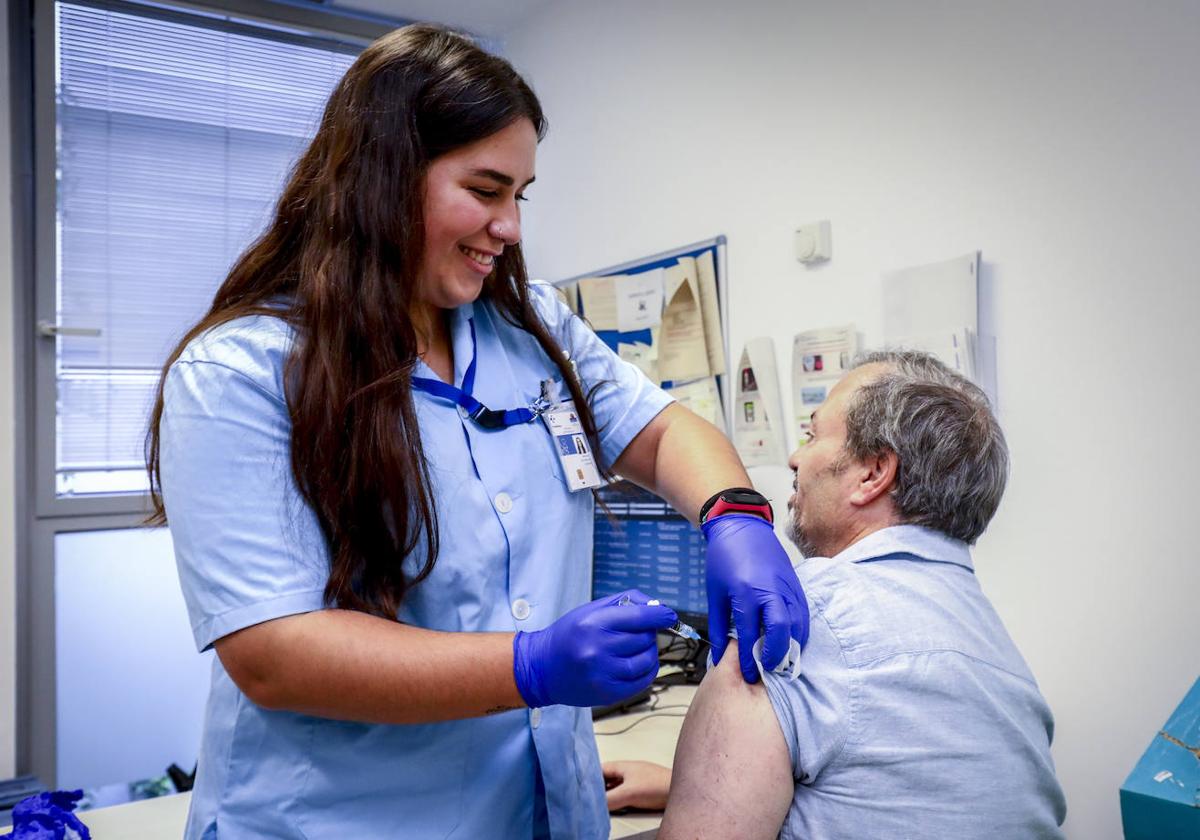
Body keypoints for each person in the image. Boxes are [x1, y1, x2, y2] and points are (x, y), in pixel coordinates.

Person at [145, 24, 807, 840]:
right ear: (382, 178)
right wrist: (531, 664)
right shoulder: (242, 372)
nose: (511, 227)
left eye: (519, 196)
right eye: (486, 191)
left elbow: (665, 432)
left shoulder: (532, 338)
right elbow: (276, 654)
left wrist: (735, 515)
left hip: (540, 812)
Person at [604, 351, 1068, 838]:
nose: (794, 458)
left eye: (812, 435)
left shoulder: (800, 617)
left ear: (872, 474)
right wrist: (681, 785)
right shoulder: (994, 643)